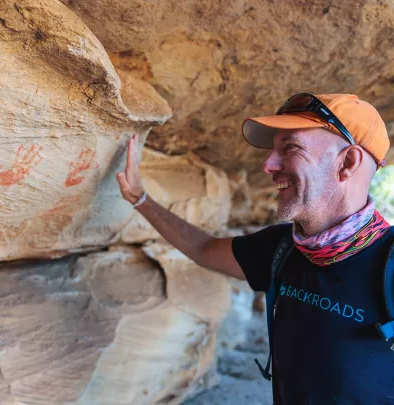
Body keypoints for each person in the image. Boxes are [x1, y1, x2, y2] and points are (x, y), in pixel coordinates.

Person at [117, 93, 394, 405]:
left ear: (347, 162)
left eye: (290, 148)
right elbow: (203, 247)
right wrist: (140, 199)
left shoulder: (390, 263)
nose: (267, 165)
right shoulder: (282, 249)